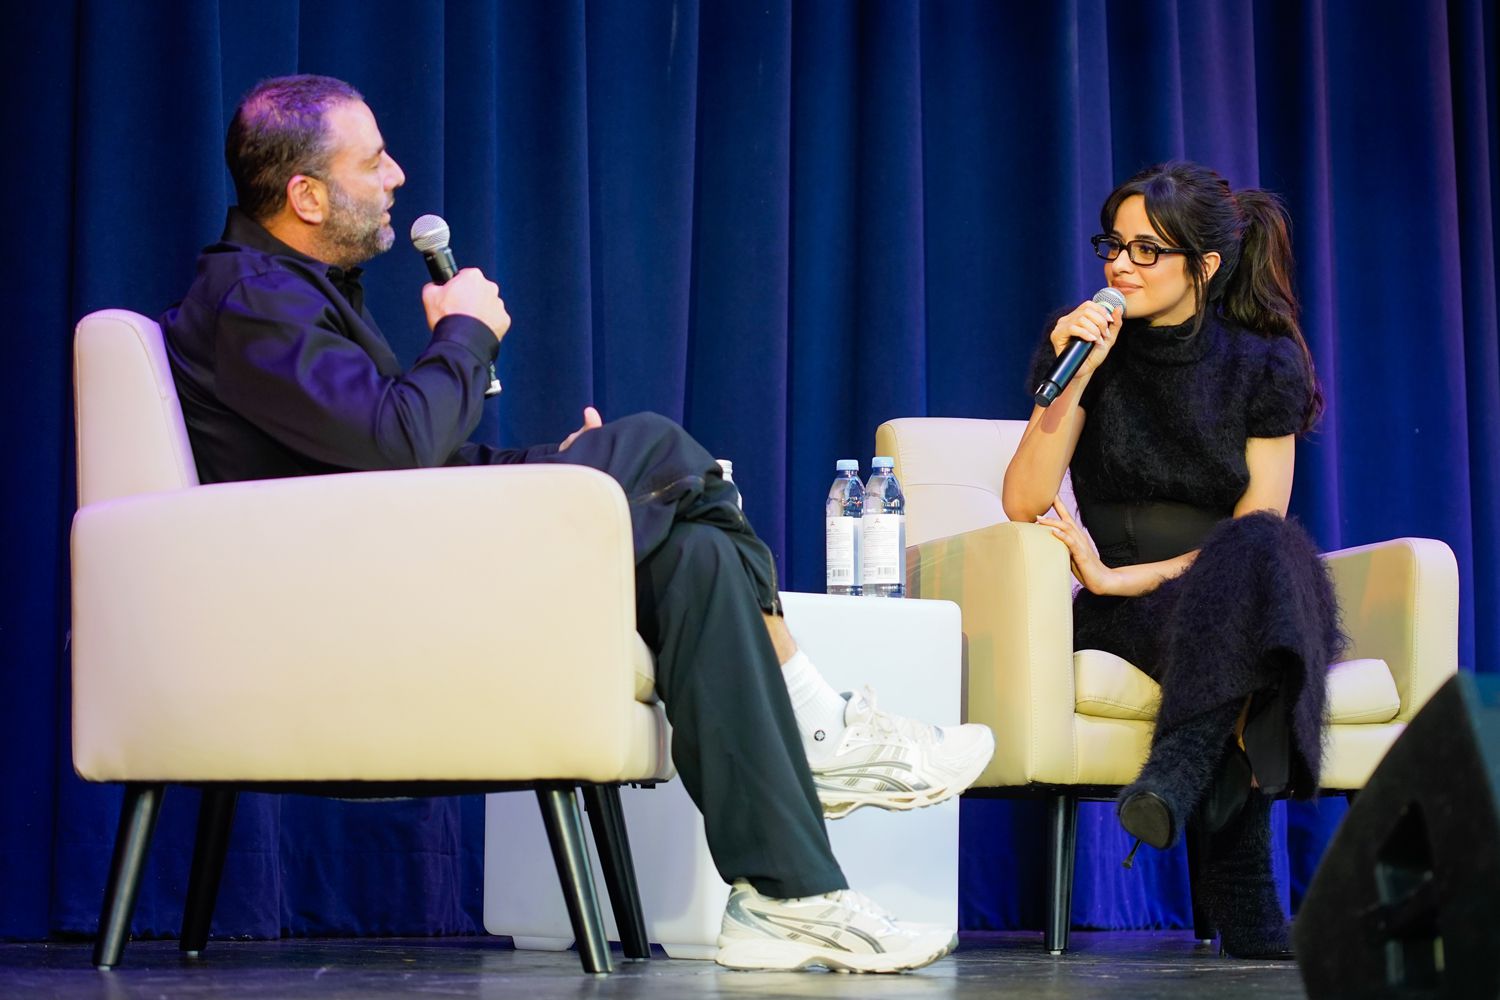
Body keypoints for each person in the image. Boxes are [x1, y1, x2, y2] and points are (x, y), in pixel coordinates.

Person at [161, 74, 994, 974]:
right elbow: (398, 448)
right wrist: (466, 335)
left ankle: (786, 898)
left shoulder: (289, 293)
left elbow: (393, 462)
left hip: (399, 559)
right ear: (307, 194)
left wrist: (555, 466)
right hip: (364, 606)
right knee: (655, 446)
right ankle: (821, 726)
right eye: (374, 160)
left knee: (698, 556)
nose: (397, 174)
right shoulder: (253, 298)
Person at [1002, 161, 1342, 958]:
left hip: (1219, 574)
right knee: (1255, 633)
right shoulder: (1088, 349)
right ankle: (1251, 902)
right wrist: (1074, 376)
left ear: (1205, 266)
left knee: (1261, 555)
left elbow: (1260, 518)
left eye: (1145, 250)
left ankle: (1176, 774)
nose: (1119, 265)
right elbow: (1022, 500)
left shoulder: (1265, 361)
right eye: (1112, 246)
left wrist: (1129, 576)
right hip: (1123, 611)